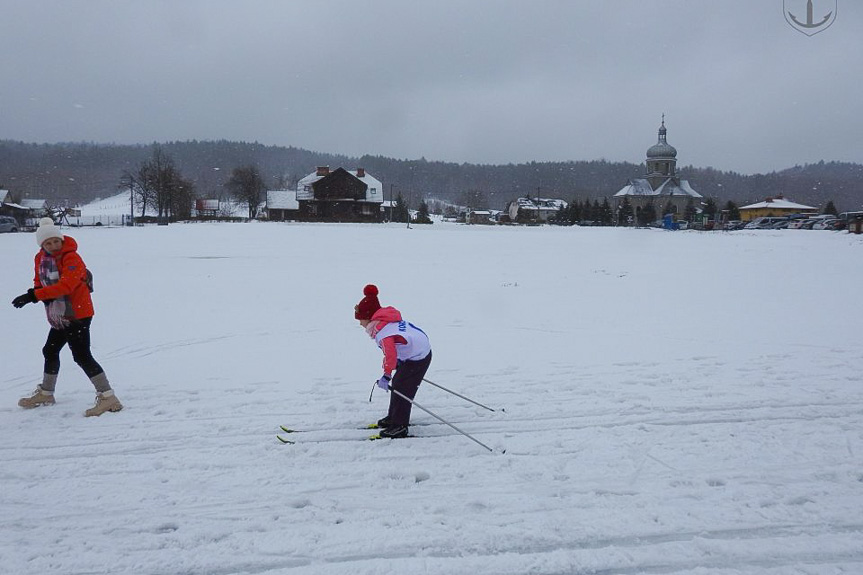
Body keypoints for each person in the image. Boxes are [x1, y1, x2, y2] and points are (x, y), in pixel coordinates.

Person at [11, 217, 123, 417]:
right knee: (50, 350)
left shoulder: (72, 258)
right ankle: (46, 392)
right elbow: (39, 279)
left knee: (81, 355)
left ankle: (108, 397)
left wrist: (33, 296)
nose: (53, 245)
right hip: (61, 313)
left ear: (61, 240)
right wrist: (37, 292)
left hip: (78, 313)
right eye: (48, 242)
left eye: (56, 241)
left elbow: (66, 286)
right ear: (42, 244)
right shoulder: (41, 258)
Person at [354, 284, 431, 438]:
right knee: (398, 384)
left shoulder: (384, 333)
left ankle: (400, 426)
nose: (359, 323)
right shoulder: (386, 322)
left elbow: (390, 355)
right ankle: (393, 418)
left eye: (360, 319)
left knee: (401, 389)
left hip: (418, 358)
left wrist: (386, 375)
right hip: (415, 353)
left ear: (369, 317)